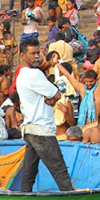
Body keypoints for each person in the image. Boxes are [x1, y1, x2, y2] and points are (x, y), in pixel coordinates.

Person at [14, 40, 73, 192]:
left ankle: (24, 196)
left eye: (37, 53)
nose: (36, 56)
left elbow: (53, 96)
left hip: (30, 128)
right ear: (22, 56)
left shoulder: (22, 74)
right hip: (41, 129)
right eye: (32, 53)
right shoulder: (35, 74)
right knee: (59, 169)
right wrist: (52, 98)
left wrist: (51, 98)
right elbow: (57, 94)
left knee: (29, 171)